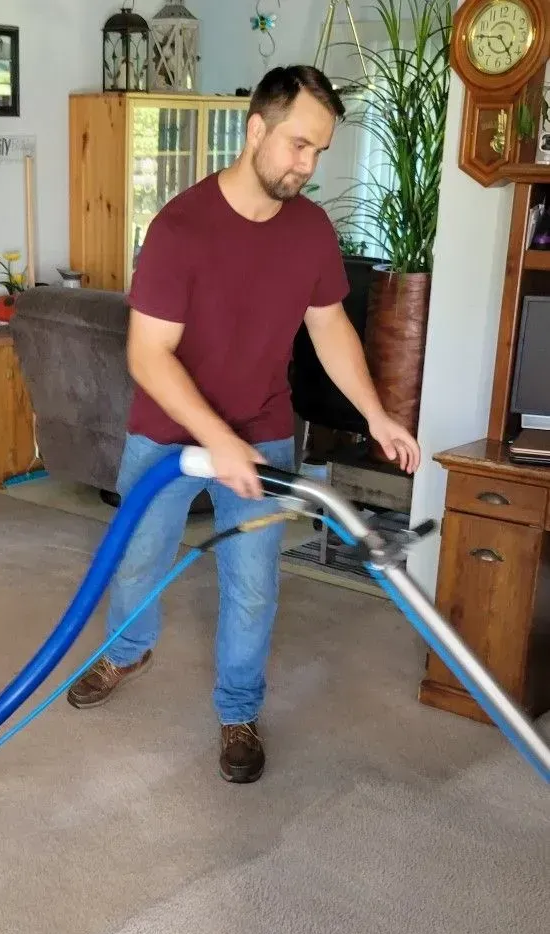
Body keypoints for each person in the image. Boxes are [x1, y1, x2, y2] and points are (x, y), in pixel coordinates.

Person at [66, 64, 421, 784]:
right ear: (255, 128)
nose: (307, 165)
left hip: (262, 428)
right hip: (165, 434)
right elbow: (148, 354)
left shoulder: (311, 231)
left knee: (254, 580)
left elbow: (329, 331)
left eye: (319, 150)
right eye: (297, 144)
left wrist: (376, 413)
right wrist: (213, 439)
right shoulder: (179, 229)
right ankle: (128, 650)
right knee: (137, 559)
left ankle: (237, 710)